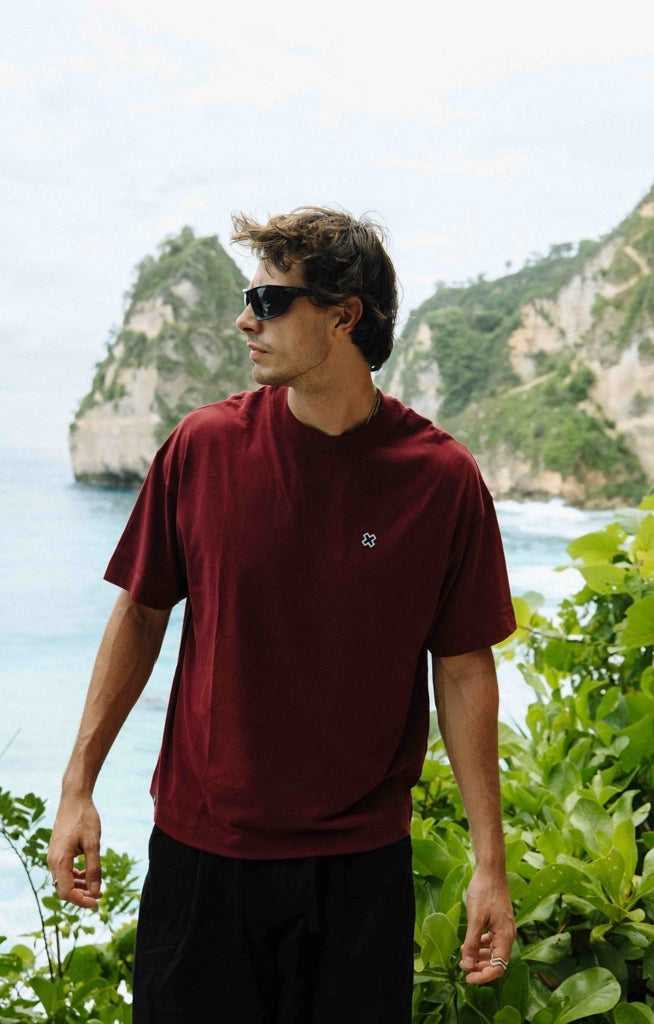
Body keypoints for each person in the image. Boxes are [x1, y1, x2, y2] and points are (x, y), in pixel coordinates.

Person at [48, 206, 517, 1023]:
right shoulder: (201, 447)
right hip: (202, 855)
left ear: (342, 316)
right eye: (247, 298)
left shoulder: (440, 480)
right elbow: (140, 614)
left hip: (358, 870)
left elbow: (463, 666)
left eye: (268, 301)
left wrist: (490, 864)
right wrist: (77, 787)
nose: (244, 320)